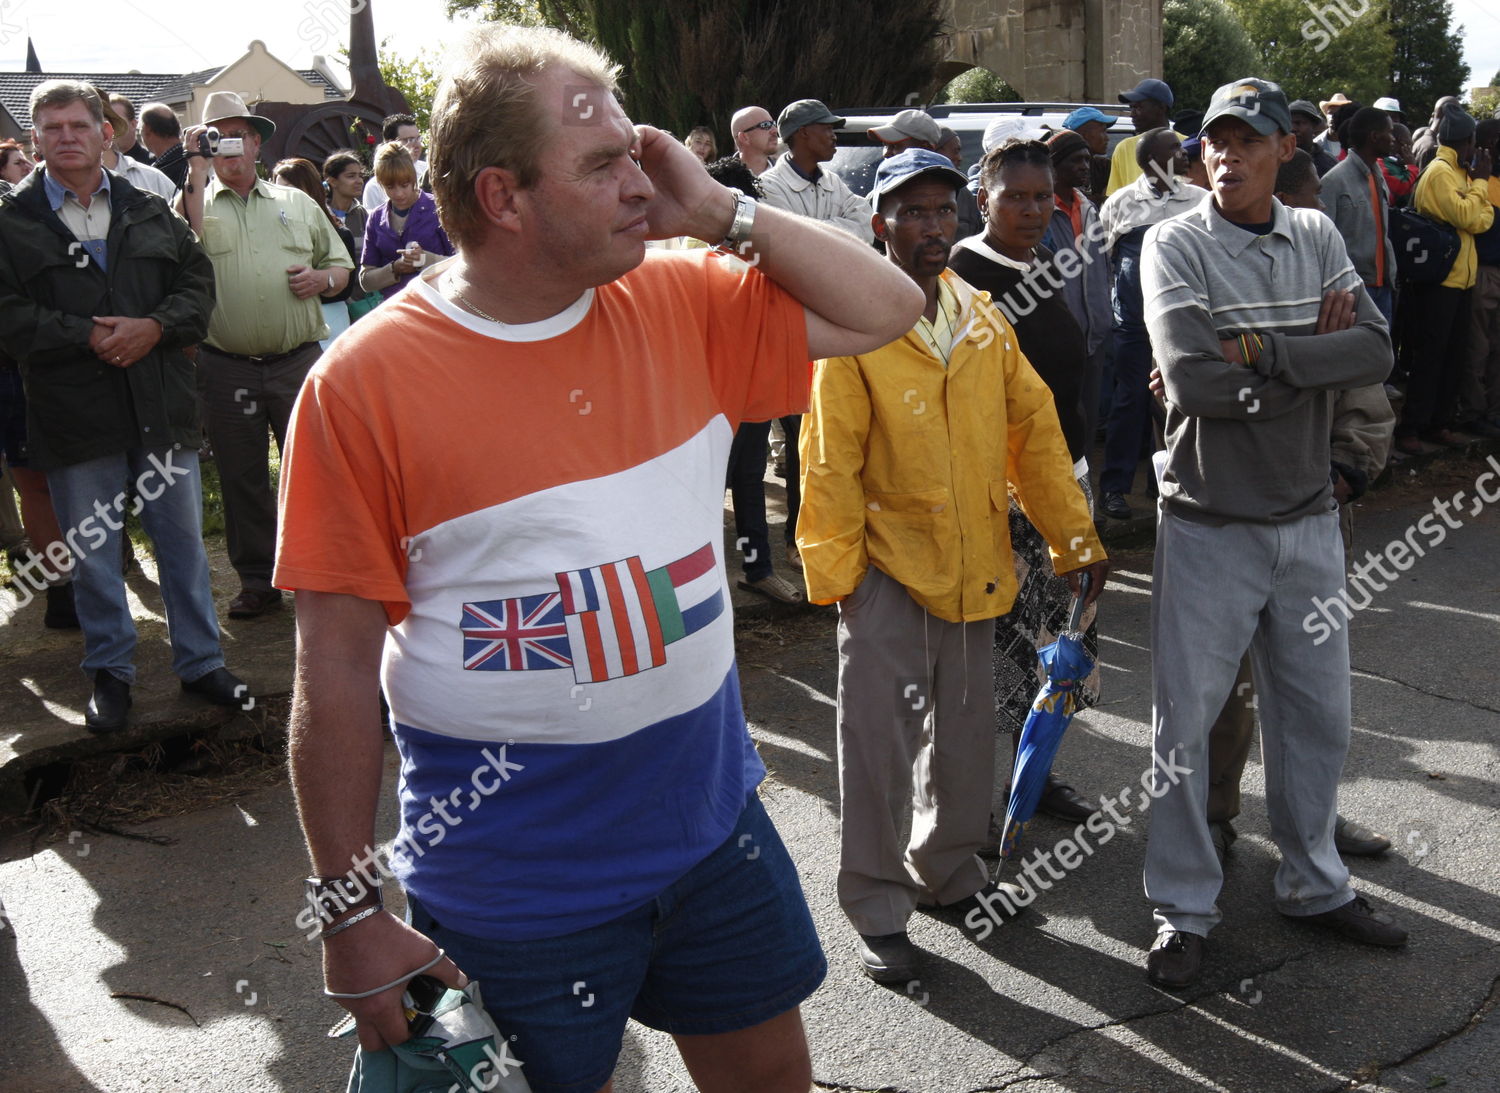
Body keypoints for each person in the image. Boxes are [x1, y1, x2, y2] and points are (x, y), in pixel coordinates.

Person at [275, 24, 924, 1093]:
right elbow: (335, 673)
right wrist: (349, 916)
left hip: (713, 831)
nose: (641, 179)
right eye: (604, 163)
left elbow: (888, 308)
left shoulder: (681, 292)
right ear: (503, 196)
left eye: (638, 150)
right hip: (515, 889)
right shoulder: (362, 385)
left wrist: (722, 209)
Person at [797, 147, 1108, 984]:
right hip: (888, 575)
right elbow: (826, 459)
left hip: (978, 565)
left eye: (943, 211)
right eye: (913, 213)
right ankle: (875, 903)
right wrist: (841, 580)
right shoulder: (854, 326)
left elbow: (1035, 433)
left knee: (969, 735)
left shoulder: (980, 317)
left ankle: (950, 873)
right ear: (880, 225)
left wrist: (1071, 538)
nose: (933, 228)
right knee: (878, 747)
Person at [1140, 77, 1407, 991]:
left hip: (1308, 522)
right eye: (1217, 140)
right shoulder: (1173, 241)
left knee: (1317, 721)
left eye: (1249, 141)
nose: (1229, 156)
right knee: (1185, 725)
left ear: (1283, 148)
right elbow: (1193, 383)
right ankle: (1183, 908)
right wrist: (1307, 364)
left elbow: (1376, 351)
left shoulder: (1318, 234)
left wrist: (1259, 352)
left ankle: (1313, 882)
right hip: (1211, 520)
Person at [0, 80, 250, 732]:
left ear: (103, 132)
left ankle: (201, 662)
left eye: (77, 125)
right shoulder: (11, 221)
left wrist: (155, 327)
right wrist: (83, 333)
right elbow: (7, 316)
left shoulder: (148, 205)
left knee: (183, 547)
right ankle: (110, 673)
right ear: (35, 139)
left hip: (158, 407)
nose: (65, 137)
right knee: (93, 555)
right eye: (50, 128)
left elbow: (197, 284)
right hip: (74, 414)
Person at [947, 137, 1106, 831]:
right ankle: (988, 802)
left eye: (1043, 196)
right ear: (984, 200)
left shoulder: (1043, 262)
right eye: (1015, 196)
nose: (1033, 208)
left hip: (1066, 481)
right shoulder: (961, 274)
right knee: (1007, 654)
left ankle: (1037, 774)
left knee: (1060, 645)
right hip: (1008, 501)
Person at [179, 90, 353, 619]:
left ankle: (324, 571)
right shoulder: (194, 203)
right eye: (217, 136)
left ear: (256, 142)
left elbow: (341, 270)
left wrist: (323, 278)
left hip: (297, 360)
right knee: (241, 475)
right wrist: (194, 166)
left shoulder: (296, 202)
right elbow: (179, 247)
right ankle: (257, 581)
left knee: (317, 471)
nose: (228, 145)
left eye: (238, 134)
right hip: (225, 364)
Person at [1097, 128, 1200, 520]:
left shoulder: (1199, 200)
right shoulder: (1122, 203)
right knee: (1130, 400)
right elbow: (1104, 260)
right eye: (1175, 147)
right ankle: (1114, 489)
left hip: (1182, 321)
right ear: (1153, 159)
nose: (1184, 152)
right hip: (1133, 323)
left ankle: (1175, 483)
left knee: (1181, 398)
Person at [1395, 103, 1494, 453]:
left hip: (1461, 281)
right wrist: (1481, 183)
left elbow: (1482, 221)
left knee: (1453, 355)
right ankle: (1411, 428)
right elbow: (1471, 216)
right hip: (1438, 282)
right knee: (1430, 356)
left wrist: (1474, 194)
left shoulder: (1460, 173)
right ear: (1466, 141)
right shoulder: (1441, 173)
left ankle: (1438, 423)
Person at [1040, 128, 1113, 446]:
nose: (1086, 166)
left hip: (1093, 339)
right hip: (1055, 342)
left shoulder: (1088, 209)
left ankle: (1084, 496)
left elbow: (1102, 269)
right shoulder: (1040, 210)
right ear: (1055, 165)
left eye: (1087, 159)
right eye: (1077, 160)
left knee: (1086, 426)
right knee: (1056, 430)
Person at [271, 158, 359, 350]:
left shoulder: (338, 233)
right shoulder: (268, 233)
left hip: (329, 324)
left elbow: (345, 290)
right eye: (278, 190)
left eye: (291, 190)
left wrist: (320, 281)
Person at [1321, 108, 1398, 327]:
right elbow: (1323, 242)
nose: (1393, 139)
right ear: (1374, 136)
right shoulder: (1334, 181)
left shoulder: (1378, 173)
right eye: (1389, 132)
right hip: (1353, 291)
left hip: (1382, 286)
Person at [758, 100, 874, 242]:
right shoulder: (768, 186)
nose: (834, 136)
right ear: (804, 132)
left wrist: (810, 229)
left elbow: (866, 226)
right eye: (827, 128)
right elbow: (791, 242)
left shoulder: (833, 181)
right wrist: (843, 230)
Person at [358, 142, 454, 301]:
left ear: (413, 177)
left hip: (438, 304)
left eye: (404, 185)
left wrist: (424, 259)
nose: (399, 193)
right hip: (396, 309)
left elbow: (461, 265)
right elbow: (365, 280)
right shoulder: (375, 218)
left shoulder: (439, 209)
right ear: (380, 183)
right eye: (390, 187)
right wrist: (395, 268)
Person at [1459, 119, 1500, 437]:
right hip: (1483, 271)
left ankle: (1494, 410)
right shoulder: (1476, 181)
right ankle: (1473, 411)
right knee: (1478, 346)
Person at [96, 88, 175, 201]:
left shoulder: (153, 179)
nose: (68, 136)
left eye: (81, 125)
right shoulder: (63, 185)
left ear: (107, 131)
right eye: (60, 127)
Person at [1106, 78, 1177, 195]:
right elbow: (1113, 198)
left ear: (1161, 108)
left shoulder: (1186, 144)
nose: (1132, 114)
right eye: (1131, 108)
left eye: (1138, 107)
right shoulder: (1123, 149)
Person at [361, 114, 426, 210]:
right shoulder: (374, 187)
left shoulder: (428, 170)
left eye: (418, 138)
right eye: (409, 140)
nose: (417, 145)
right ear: (391, 143)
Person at [1063, 105, 1115, 205]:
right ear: (1085, 134)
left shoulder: (1103, 166)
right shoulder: (1060, 168)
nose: (1107, 138)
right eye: (1103, 131)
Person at [137, 103, 187, 189]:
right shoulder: (193, 159)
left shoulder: (160, 174)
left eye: (140, 129)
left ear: (147, 129)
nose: (140, 135)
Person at [1290, 100, 1339, 176]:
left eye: (1298, 123)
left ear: (1314, 126)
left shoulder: (1328, 163)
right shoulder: (1275, 159)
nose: (1292, 129)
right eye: (1288, 123)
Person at [867, 108, 941, 158]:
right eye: (885, 145)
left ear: (925, 148)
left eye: (895, 146)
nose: (886, 154)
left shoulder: (939, 180)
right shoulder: (885, 178)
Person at [729, 106, 777, 176]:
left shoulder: (786, 174)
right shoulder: (720, 179)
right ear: (744, 137)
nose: (775, 130)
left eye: (774, 124)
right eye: (765, 125)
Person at [107, 93, 151, 164]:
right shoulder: (99, 169)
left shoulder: (153, 165)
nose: (111, 128)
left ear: (133, 124)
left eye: (117, 121)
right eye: (108, 122)